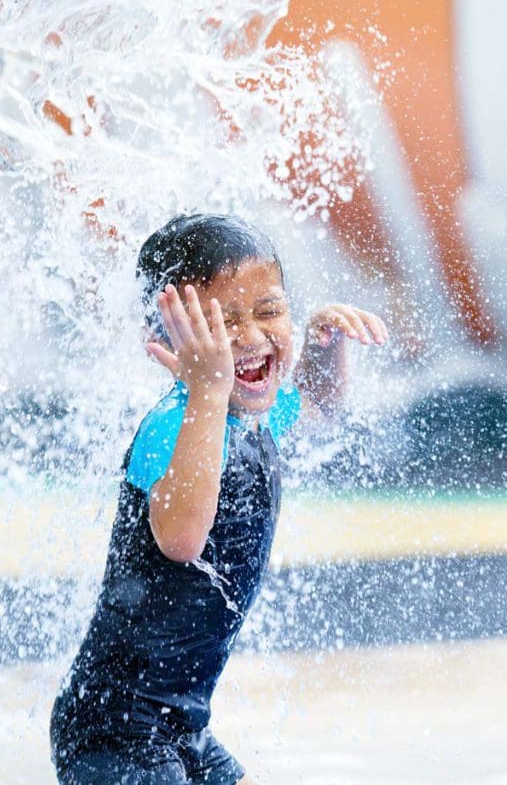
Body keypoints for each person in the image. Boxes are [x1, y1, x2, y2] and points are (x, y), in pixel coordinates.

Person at [50, 213, 388, 784]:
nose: (253, 337)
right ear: (166, 340)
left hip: (180, 725)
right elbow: (181, 541)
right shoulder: (174, 425)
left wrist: (326, 346)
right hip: (115, 728)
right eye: (221, 324)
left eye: (268, 311)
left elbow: (322, 407)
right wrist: (208, 385)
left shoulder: (246, 416)